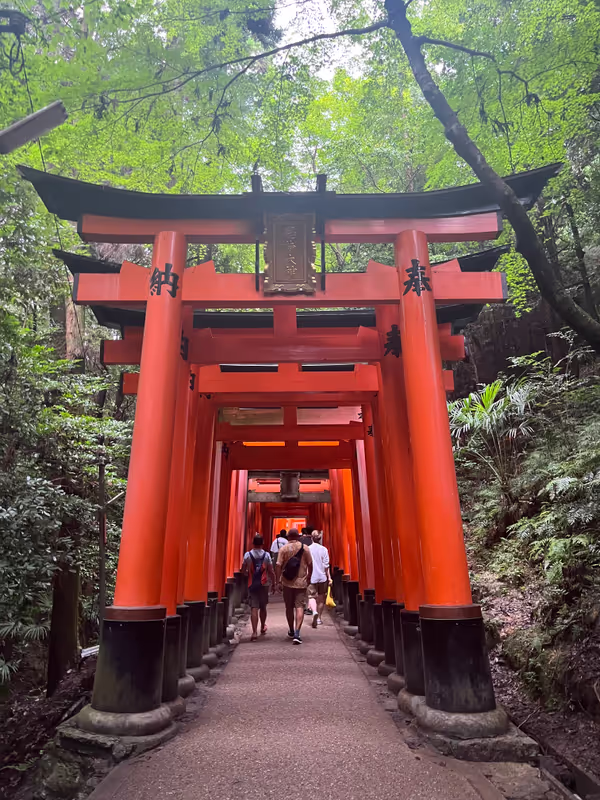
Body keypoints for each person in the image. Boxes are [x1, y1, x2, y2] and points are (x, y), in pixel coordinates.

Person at [275, 528, 313, 645]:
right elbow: (310, 564)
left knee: (288, 607)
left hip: (287, 582)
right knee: (299, 606)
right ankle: (297, 632)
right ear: (298, 536)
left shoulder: (283, 549)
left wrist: (278, 581)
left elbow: (278, 565)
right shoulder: (305, 548)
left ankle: (291, 629)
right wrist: (309, 576)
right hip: (301, 582)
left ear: (288, 536)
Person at [242, 534, 275, 641]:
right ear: (262, 543)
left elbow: (243, 570)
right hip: (264, 583)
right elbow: (270, 571)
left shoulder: (247, 555)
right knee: (263, 606)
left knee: (254, 607)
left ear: (253, 543)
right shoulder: (266, 555)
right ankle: (262, 626)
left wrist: (248, 573)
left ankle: (254, 632)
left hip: (252, 583)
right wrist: (274, 583)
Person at [307, 531, 331, 628]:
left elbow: (305, 564)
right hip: (322, 577)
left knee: (311, 597)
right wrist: (329, 577)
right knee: (321, 599)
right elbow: (326, 566)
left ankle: (314, 612)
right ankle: (319, 618)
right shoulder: (324, 549)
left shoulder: (307, 549)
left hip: (311, 577)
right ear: (319, 538)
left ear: (311, 538)